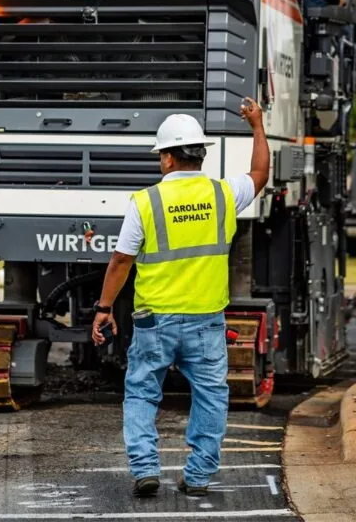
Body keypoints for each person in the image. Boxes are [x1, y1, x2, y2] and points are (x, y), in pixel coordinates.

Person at [91, 98, 270, 498]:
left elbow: (121, 260)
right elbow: (259, 173)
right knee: (210, 394)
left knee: (141, 391)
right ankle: (199, 474)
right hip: (206, 319)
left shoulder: (145, 202)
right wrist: (257, 125)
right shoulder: (224, 194)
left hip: (155, 320)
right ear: (200, 154)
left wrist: (104, 308)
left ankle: (145, 469)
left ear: (168, 158)